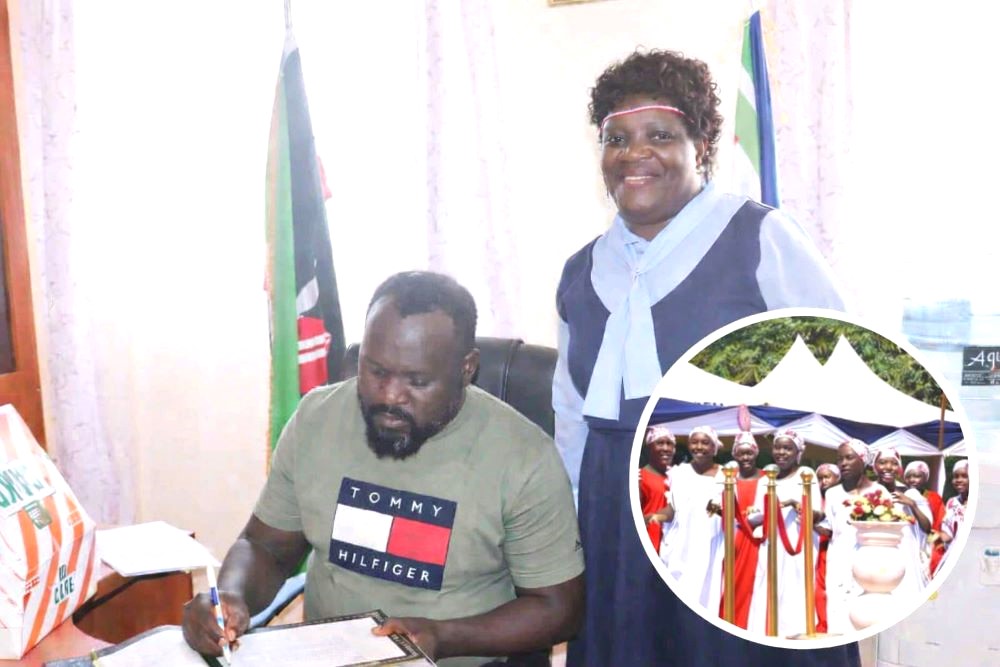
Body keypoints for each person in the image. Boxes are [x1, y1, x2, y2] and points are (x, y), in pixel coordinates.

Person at [552, 48, 854, 666]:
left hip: (743, 505)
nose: (635, 153)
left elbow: (842, 374)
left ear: (703, 143)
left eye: (660, 135)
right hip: (618, 516)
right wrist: (572, 532)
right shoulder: (581, 272)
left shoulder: (759, 238)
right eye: (617, 138)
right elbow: (571, 414)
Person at [181, 272, 584, 667]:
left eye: (417, 381)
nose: (390, 396)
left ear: (467, 369)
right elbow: (265, 547)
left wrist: (443, 637)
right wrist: (230, 598)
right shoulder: (316, 420)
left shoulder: (523, 457)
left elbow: (558, 607)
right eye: (375, 371)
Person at [746, 428, 822, 637]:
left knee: (795, 586)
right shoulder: (765, 479)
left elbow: (816, 513)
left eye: (787, 448)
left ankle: (794, 633)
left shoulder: (807, 475)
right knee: (767, 584)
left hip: (798, 544)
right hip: (771, 543)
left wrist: (794, 503)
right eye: (778, 447)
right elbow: (756, 515)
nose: (781, 452)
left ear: (798, 452)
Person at [819, 439, 889, 635]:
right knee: (837, 609)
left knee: (865, 611)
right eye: (839, 459)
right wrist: (810, 522)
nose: (843, 463)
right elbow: (829, 528)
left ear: (863, 460)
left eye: (849, 458)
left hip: (869, 561)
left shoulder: (879, 492)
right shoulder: (832, 493)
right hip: (839, 560)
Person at [660, 426, 725, 609]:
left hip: (709, 543)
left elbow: (728, 511)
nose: (699, 447)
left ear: (714, 448)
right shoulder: (679, 473)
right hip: (681, 544)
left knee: (706, 595)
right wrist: (652, 517)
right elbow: (672, 508)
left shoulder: (725, 475)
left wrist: (712, 507)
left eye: (705, 443)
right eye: (694, 442)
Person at [873, 446, 931, 595]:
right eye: (882, 462)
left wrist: (912, 504)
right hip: (876, 556)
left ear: (899, 468)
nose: (888, 467)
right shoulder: (868, 493)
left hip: (906, 558)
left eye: (893, 463)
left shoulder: (910, 493)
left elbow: (927, 527)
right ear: (875, 467)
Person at [722, 431, 764, 629]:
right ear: (735, 455)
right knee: (732, 584)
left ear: (756, 453)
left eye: (749, 453)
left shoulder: (767, 477)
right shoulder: (728, 479)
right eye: (741, 453)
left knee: (754, 584)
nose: (745, 458)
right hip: (734, 538)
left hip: (759, 540)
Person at [903, 460, 945, 576]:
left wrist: (927, 547)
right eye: (908, 476)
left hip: (928, 545)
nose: (912, 480)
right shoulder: (903, 496)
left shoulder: (934, 498)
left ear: (925, 478)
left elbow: (938, 523)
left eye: (917, 476)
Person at [639, 424, 675, 554]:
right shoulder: (639, 477)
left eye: (669, 444)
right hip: (650, 549)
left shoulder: (677, 476)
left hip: (672, 553)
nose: (666, 448)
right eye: (660, 443)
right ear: (649, 448)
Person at [814, 462, 841, 633]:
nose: (823, 481)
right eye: (820, 478)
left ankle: (826, 623)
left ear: (837, 479)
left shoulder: (839, 499)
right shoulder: (814, 499)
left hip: (828, 548)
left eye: (827, 477)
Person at [937, 459, 970, 574]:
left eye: (964, 476)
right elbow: (948, 534)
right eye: (956, 476)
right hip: (953, 558)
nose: (959, 480)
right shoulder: (952, 503)